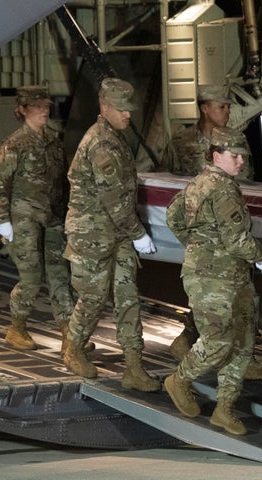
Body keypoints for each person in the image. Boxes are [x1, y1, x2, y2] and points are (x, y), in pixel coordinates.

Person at [164, 126, 262, 435]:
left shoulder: (198, 183)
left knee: (242, 342)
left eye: (243, 156)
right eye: (235, 155)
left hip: (229, 275)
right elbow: (238, 239)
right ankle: (180, 380)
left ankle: (224, 410)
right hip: (214, 280)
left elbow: (172, 217)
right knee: (220, 341)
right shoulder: (223, 188)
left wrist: (196, 244)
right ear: (216, 155)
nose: (241, 161)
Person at [168, 84, 262, 380]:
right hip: (207, 234)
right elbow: (174, 183)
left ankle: (239, 357)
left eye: (228, 106)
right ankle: (197, 360)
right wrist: (194, 240)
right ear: (204, 108)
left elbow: (245, 183)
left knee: (242, 301)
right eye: (221, 106)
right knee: (218, 306)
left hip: (228, 232)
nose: (227, 111)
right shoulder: (181, 141)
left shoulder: (236, 142)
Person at [62, 77, 160, 393]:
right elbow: (114, 199)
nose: (127, 114)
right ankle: (73, 347)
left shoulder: (114, 137)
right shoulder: (101, 144)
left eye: (129, 108)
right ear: (104, 107)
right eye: (120, 109)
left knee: (127, 297)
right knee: (92, 297)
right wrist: (138, 234)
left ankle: (134, 366)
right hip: (92, 234)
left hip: (115, 233)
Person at [0, 85, 95, 354]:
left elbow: (62, 182)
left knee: (59, 276)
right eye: (37, 107)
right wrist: (3, 220)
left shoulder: (53, 142)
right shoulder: (15, 144)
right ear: (22, 110)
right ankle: (17, 327)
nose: (43, 111)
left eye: (46, 106)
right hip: (24, 220)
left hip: (53, 219)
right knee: (32, 277)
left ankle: (70, 334)